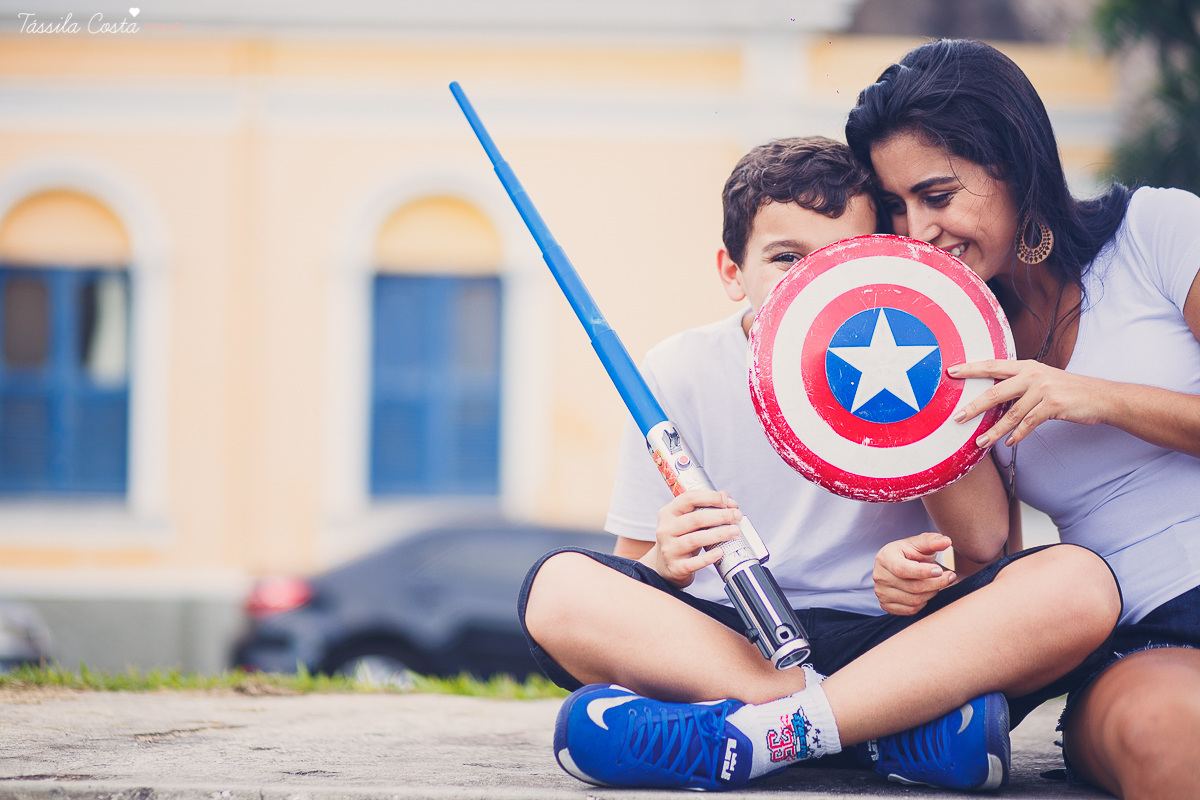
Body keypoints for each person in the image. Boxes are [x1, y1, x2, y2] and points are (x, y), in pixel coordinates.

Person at [519, 137, 1121, 791]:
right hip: (733, 646)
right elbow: (634, 573)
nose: (813, 280)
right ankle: (871, 735)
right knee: (558, 591)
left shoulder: (933, 354)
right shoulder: (680, 369)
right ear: (731, 271)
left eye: (840, 258)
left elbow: (983, 552)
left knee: (1079, 586)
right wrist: (668, 562)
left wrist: (927, 578)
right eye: (786, 259)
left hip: (892, 644)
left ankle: (756, 736)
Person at [845, 38, 1200, 800]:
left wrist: (1097, 396)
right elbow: (991, 563)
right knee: (1172, 744)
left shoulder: (1156, 234)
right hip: (1138, 635)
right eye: (896, 209)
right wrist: (919, 579)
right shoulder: (941, 347)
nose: (917, 231)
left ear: (1013, 161)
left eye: (937, 196)